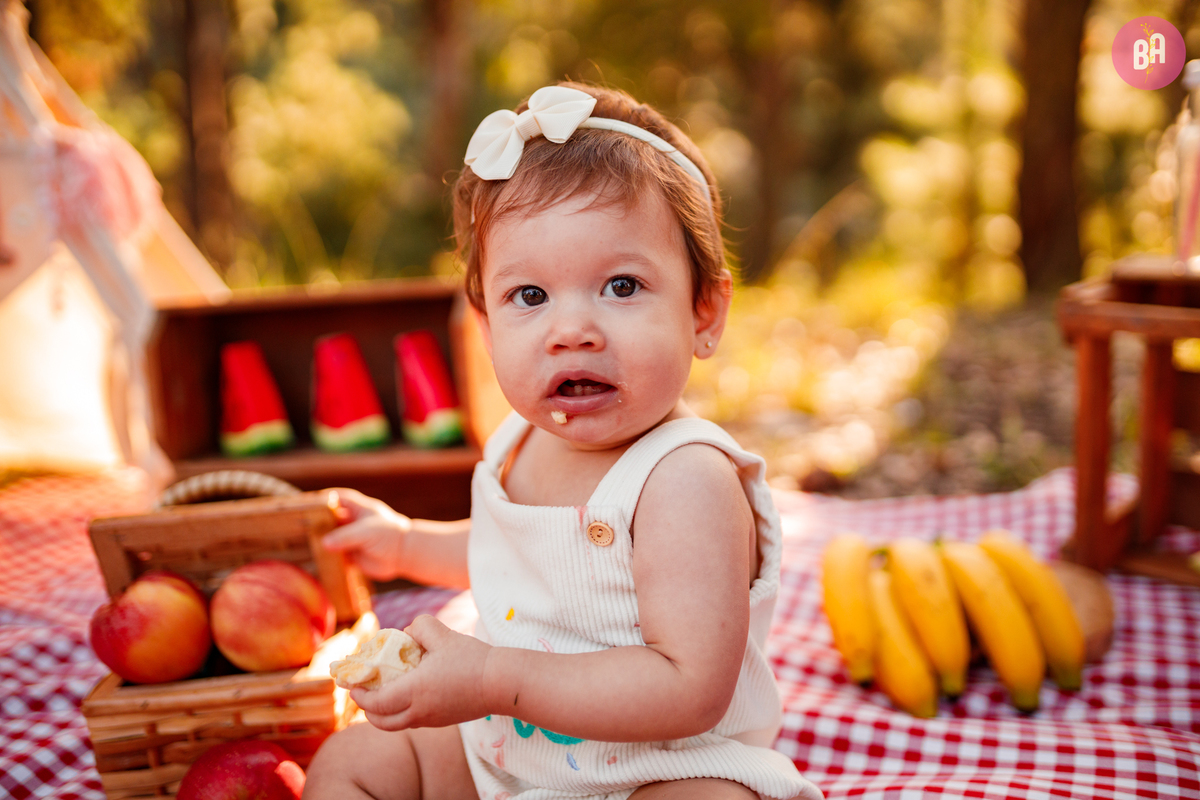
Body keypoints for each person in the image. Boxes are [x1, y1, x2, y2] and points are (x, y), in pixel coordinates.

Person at [303, 82, 823, 800]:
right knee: (350, 764)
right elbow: (513, 554)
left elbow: (690, 687)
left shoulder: (685, 478)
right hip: (503, 755)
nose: (571, 329)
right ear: (486, 329)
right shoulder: (518, 445)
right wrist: (403, 544)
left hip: (658, 769)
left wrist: (492, 678)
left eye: (620, 285)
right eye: (530, 296)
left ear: (704, 311)